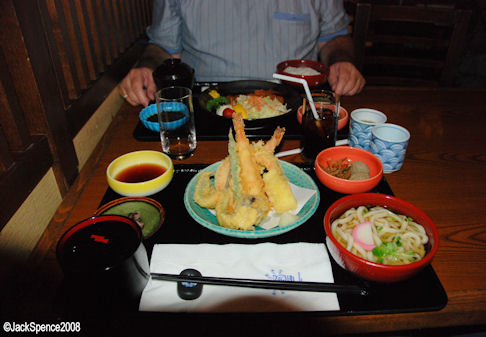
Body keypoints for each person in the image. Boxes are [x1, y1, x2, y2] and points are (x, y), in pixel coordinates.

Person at [120, 0, 365, 107]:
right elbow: (164, 48)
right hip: (207, 105)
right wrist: (147, 65)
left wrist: (341, 61)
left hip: (298, 105)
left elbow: (334, 37)